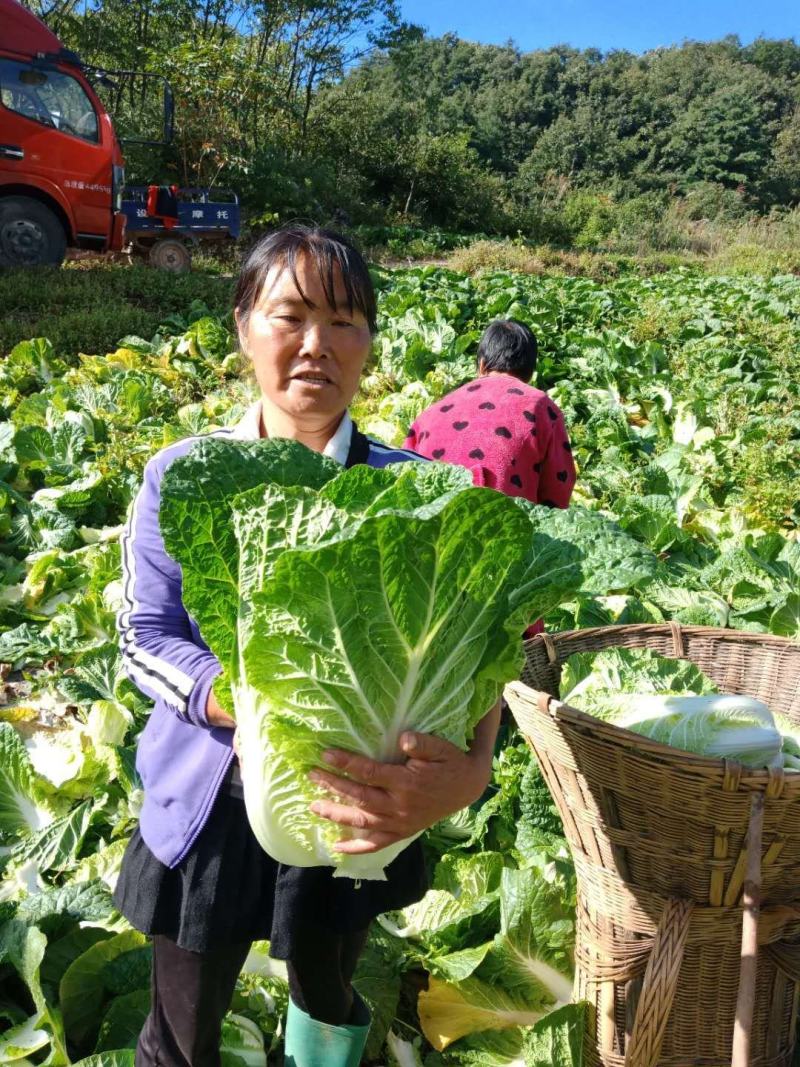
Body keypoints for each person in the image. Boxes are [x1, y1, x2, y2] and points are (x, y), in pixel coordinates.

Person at [113, 224, 500, 1067]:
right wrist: (234, 699)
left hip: (356, 805)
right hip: (210, 804)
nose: (316, 345)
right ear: (244, 325)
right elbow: (144, 634)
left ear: (369, 342)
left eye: (344, 321)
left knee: (326, 995)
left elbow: (480, 654)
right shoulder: (183, 473)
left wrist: (474, 767)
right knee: (181, 1029)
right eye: (289, 315)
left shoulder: (415, 491)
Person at [403, 318, 576, 507]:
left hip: (437, 526)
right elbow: (558, 489)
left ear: (482, 365)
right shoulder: (542, 407)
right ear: (530, 373)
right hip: (501, 526)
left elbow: (404, 476)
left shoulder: (431, 413)